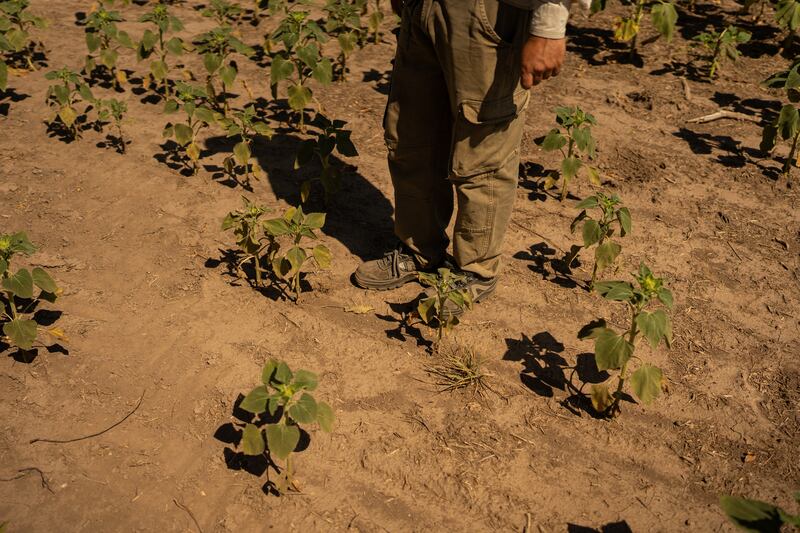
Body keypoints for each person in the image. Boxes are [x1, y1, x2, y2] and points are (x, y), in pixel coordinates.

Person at [354, 0, 577, 314]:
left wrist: (550, 23)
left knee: (483, 150)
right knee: (411, 134)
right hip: (424, 7)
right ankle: (419, 251)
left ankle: (475, 270)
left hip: (491, 11)